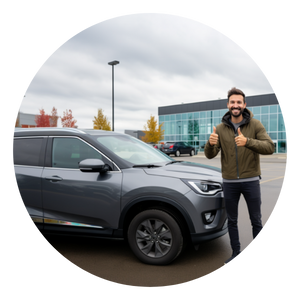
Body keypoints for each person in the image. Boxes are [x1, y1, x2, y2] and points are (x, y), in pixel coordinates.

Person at [204, 87, 274, 267]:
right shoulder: (220, 128)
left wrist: (247, 142)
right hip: (229, 183)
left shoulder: (255, 125)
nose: (236, 105)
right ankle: (236, 253)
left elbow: (269, 147)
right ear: (228, 105)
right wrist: (210, 144)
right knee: (232, 221)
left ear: (244, 105)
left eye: (239, 102)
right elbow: (210, 155)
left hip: (250, 181)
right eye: (232, 102)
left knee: (256, 219)